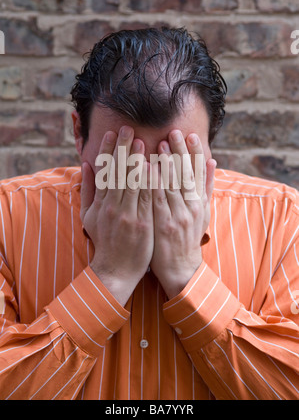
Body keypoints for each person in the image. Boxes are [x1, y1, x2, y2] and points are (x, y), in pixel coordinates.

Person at [0, 27, 298, 400]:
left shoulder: (283, 220)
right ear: (79, 134)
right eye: (123, 162)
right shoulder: (7, 216)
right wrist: (110, 275)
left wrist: (187, 274)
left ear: (210, 143)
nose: (147, 184)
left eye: (175, 161)